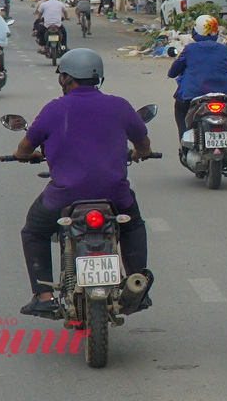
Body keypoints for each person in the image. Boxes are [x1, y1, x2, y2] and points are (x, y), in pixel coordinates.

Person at [13, 49, 153, 318]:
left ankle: (43, 297)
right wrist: (142, 153)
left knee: (34, 231)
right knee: (133, 225)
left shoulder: (54, 109)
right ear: (97, 77)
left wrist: (24, 156)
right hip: (115, 195)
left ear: (65, 78)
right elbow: (143, 142)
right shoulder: (120, 106)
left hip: (65, 197)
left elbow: (24, 147)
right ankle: (137, 285)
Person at [167, 14, 227, 172]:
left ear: (195, 31)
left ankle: (184, 148)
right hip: (224, 95)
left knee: (180, 109)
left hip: (194, 95)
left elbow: (173, 71)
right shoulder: (223, 49)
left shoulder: (189, 49)